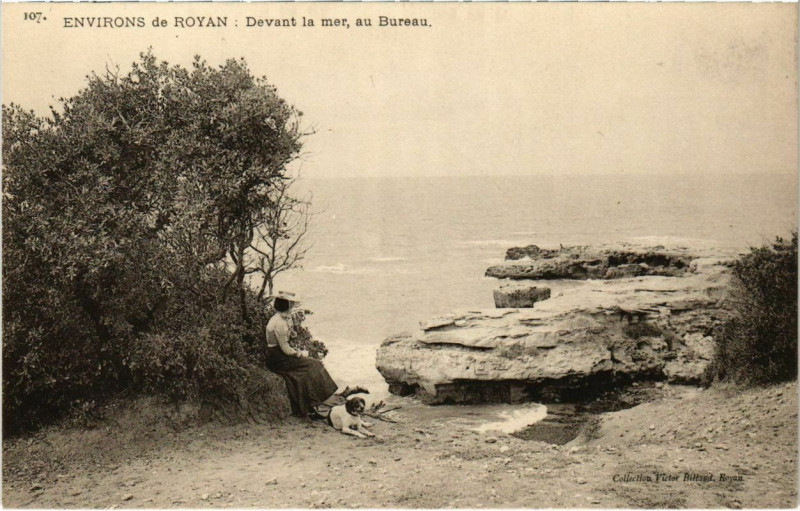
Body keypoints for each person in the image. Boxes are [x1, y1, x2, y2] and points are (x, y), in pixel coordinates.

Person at [264, 291, 339, 418]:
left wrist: (292, 334)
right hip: (277, 358)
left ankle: (311, 407)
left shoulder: (283, 318)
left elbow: (286, 338)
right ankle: (312, 406)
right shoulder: (279, 322)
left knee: (308, 370)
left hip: (280, 354)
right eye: (291, 304)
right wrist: (299, 354)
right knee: (315, 365)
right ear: (285, 305)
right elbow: (286, 349)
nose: (293, 306)